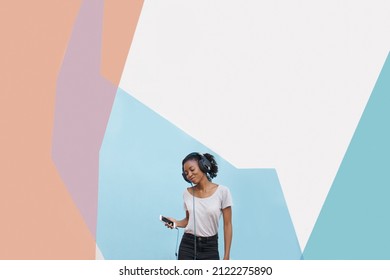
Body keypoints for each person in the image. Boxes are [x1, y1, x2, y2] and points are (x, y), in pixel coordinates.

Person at [166, 152, 233, 260]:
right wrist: (176, 223)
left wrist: (226, 255)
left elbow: (228, 225)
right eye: (186, 173)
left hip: (210, 247)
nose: (189, 175)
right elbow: (188, 220)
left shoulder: (223, 191)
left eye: (192, 170)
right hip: (187, 245)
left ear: (203, 166)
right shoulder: (186, 193)